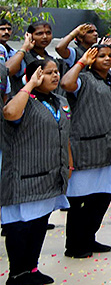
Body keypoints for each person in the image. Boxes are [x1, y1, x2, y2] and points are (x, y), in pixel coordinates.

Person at [1, 58, 69, 285]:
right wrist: (29, 85)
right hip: (23, 178)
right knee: (20, 227)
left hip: (49, 176)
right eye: (47, 72)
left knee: (40, 223)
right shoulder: (22, 101)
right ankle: (17, 274)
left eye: (56, 71)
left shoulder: (59, 100)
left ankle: (31, 268)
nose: (54, 76)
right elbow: (9, 113)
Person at [61, 44, 111, 258]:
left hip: (110, 149)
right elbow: (66, 83)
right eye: (101, 56)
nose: (107, 59)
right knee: (81, 201)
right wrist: (81, 63)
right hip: (86, 149)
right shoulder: (83, 79)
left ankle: (89, 237)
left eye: (110, 56)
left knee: (102, 197)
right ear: (92, 58)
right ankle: (74, 244)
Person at [6, 21, 56, 91]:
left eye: (48, 33)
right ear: (30, 36)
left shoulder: (51, 60)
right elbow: (8, 70)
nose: (45, 37)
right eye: (39, 34)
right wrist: (25, 47)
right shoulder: (23, 57)